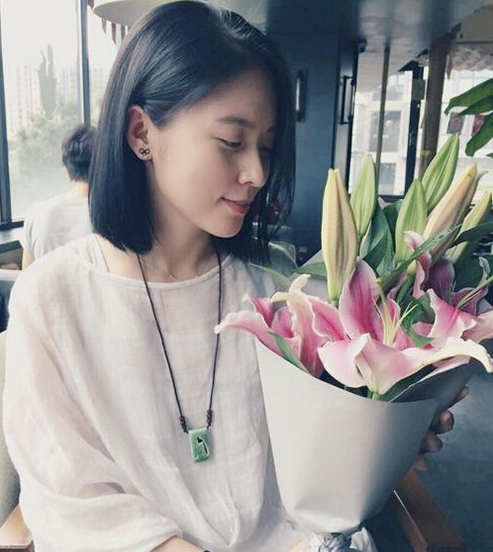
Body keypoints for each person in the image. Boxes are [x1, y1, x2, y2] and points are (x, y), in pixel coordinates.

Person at [2, 3, 461, 552]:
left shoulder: (282, 294)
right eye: (232, 142)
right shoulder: (52, 299)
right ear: (141, 132)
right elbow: (71, 499)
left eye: (266, 146)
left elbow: (314, 476)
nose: (258, 173)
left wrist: (383, 437)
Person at [21, 123, 96, 269]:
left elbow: (26, 275)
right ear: (102, 165)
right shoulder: (112, 217)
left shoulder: (36, 214)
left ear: (67, 169)